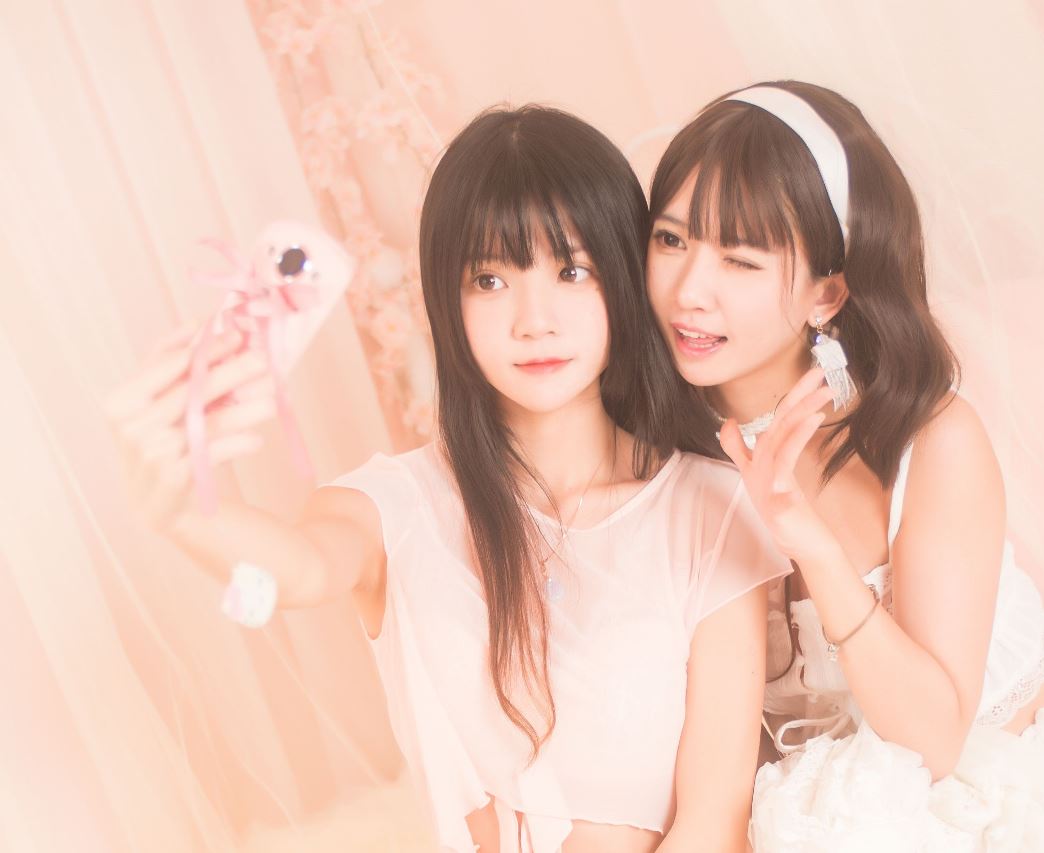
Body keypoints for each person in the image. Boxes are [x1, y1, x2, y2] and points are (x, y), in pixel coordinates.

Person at [107, 105, 791, 853]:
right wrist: (181, 508)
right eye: (490, 279)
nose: (534, 320)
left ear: (623, 281)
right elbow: (293, 573)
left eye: (571, 271)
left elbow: (715, 818)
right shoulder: (398, 507)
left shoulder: (709, 508)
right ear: (446, 299)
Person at [645, 80, 1044, 852]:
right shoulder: (657, 447)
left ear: (826, 293)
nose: (689, 290)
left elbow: (932, 740)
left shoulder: (929, 440)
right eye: (670, 240)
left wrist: (808, 541)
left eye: (739, 260)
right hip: (857, 809)